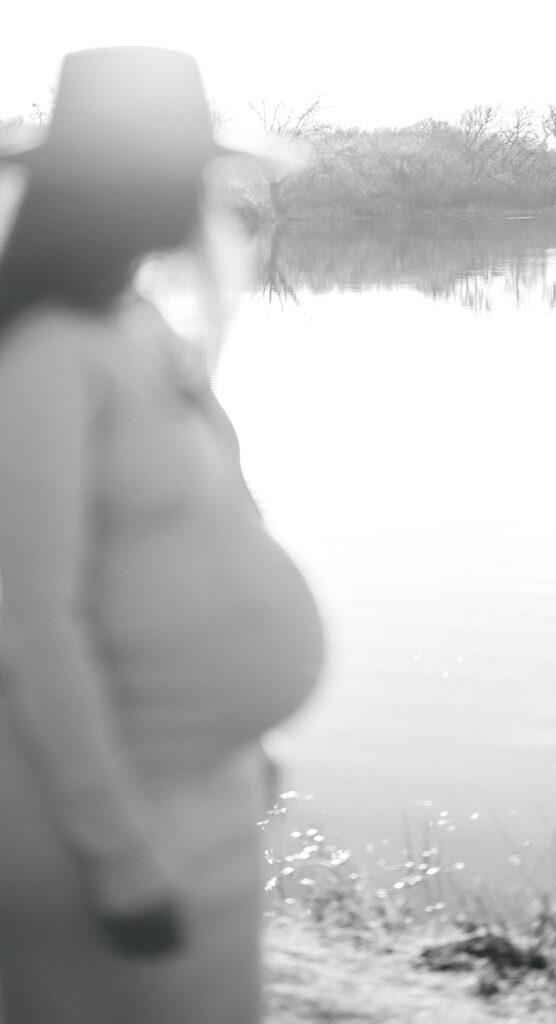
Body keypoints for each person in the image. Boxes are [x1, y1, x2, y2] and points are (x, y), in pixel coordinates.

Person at [0, 46, 324, 1024]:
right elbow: (29, 624)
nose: (205, 196)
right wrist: (120, 857)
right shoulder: (42, 358)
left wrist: (248, 736)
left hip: (198, 792)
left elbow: (208, 531)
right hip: (102, 827)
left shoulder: (131, 326)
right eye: (188, 171)